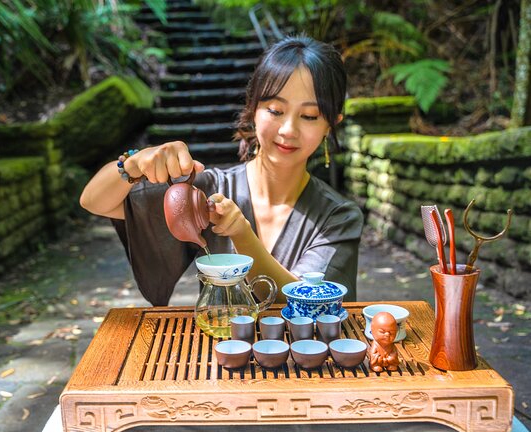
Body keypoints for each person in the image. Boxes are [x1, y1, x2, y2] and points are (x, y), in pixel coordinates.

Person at [80, 35, 364, 306]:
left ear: (331, 123)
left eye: (309, 116)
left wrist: (242, 233)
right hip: (218, 352)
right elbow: (95, 201)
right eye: (275, 110)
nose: (288, 129)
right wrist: (134, 163)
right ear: (253, 108)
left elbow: (307, 302)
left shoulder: (338, 216)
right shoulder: (209, 190)